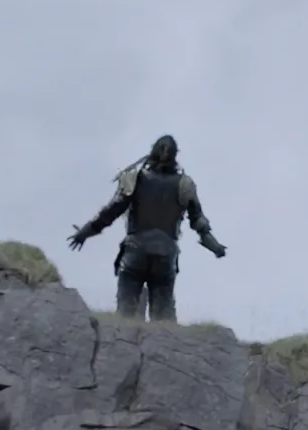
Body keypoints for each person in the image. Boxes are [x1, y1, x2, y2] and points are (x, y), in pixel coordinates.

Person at [68, 134, 225, 322]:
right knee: (163, 317)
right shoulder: (184, 185)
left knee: (126, 314)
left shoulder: (135, 179)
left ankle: (125, 337)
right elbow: (198, 221)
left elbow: (111, 211)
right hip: (165, 255)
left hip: (135, 251)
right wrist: (215, 247)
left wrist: (85, 232)